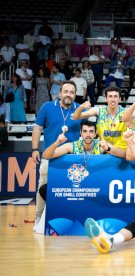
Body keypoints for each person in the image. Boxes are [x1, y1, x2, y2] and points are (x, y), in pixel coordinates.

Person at [32, 81, 81, 231]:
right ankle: (38, 218)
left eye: (72, 92)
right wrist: (35, 149)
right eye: (66, 91)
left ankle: (72, 218)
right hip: (50, 157)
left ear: (75, 94)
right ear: (60, 93)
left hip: (72, 160)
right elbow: (37, 128)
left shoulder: (79, 110)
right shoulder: (47, 107)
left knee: (72, 190)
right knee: (43, 187)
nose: (68, 95)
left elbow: (88, 131)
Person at [72, 87, 127, 153]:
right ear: (106, 99)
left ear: (120, 99)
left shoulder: (126, 113)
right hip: (103, 151)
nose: (113, 99)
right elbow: (75, 117)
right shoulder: (99, 111)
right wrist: (81, 106)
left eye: (115, 96)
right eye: (110, 96)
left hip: (120, 152)